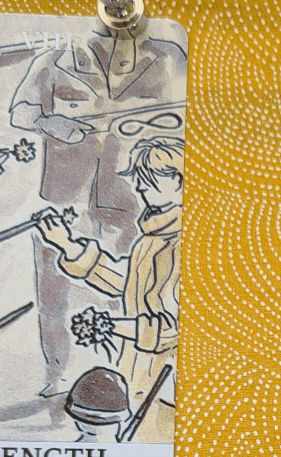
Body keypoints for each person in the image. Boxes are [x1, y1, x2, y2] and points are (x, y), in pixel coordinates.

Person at [37, 137, 181, 419]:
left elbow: (172, 328)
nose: (139, 187)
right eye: (139, 179)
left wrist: (109, 325)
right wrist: (67, 245)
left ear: (178, 180)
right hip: (139, 374)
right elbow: (124, 281)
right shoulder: (153, 237)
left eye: (148, 180)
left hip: (166, 383)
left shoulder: (180, 242)